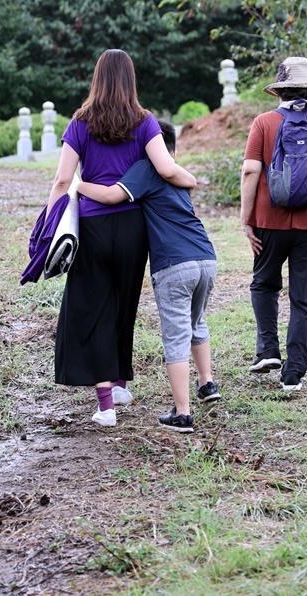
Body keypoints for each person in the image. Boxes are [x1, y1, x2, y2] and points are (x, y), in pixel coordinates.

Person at [45, 50, 196, 427]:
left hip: (93, 229)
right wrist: (190, 178)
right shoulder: (144, 122)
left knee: (93, 306)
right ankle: (120, 382)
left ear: (97, 79)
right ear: (130, 80)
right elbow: (165, 167)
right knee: (123, 301)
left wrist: (49, 222)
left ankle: (106, 405)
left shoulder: (80, 123)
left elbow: (64, 180)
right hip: (133, 227)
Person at [76, 120, 219, 434]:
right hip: (206, 257)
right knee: (196, 322)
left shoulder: (145, 168)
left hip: (174, 264)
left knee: (176, 336)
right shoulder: (178, 173)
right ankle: (207, 383)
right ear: (174, 149)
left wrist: (78, 185)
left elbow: (113, 196)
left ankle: (182, 413)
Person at [240, 56, 307, 392]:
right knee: (305, 299)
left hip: (268, 221)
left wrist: (246, 218)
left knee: (264, 284)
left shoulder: (263, 123)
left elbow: (250, 172)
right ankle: (293, 373)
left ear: (280, 90)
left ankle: (268, 351)